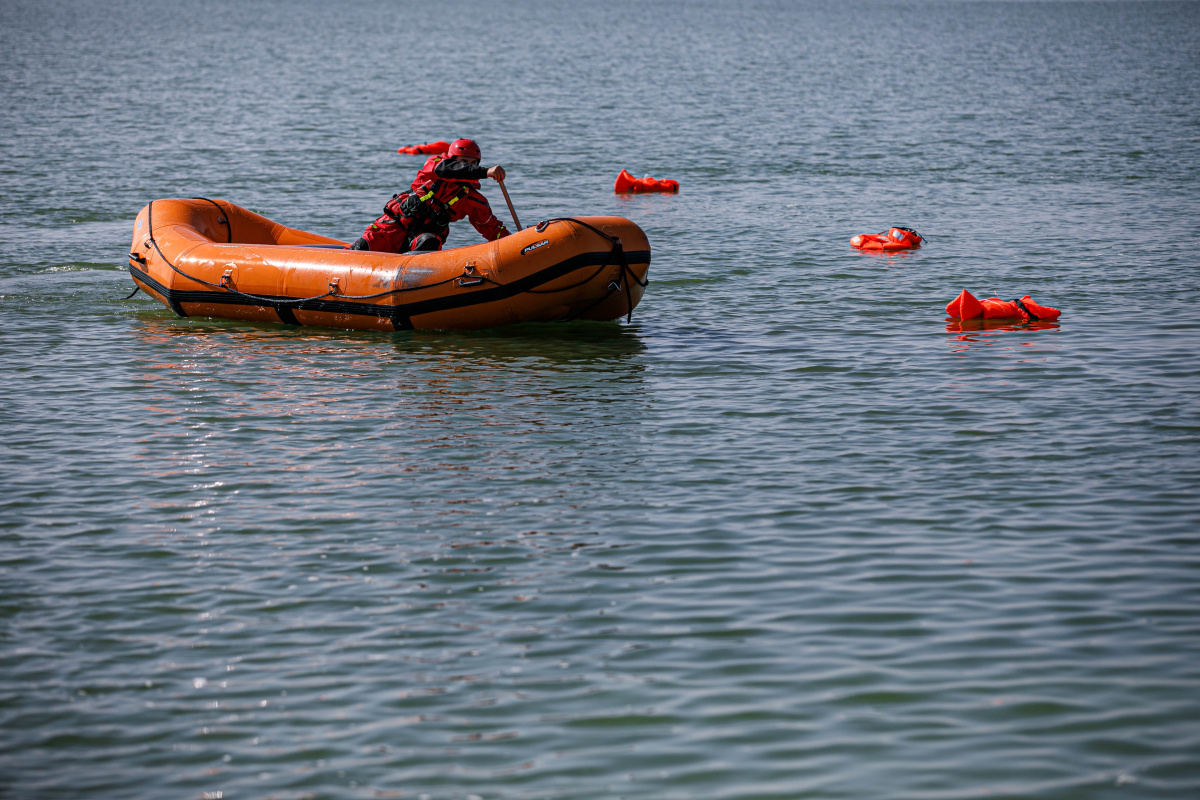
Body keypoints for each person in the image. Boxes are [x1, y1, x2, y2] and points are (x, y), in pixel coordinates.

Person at [350, 138, 510, 253]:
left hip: (420, 239)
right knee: (362, 246)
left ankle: (411, 280)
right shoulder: (434, 166)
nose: (467, 166)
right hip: (391, 228)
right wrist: (485, 172)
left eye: (473, 163)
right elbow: (447, 169)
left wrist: (516, 242)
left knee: (430, 241)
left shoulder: (472, 199)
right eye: (463, 161)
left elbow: (491, 228)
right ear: (453, 159)